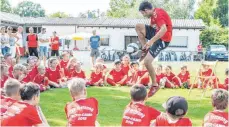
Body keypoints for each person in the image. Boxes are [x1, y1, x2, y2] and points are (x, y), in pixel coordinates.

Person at [136, 1, 172, 97]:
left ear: (147, 10)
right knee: (138, 27)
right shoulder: (153, 16)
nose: (143, 15)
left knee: (147, 62)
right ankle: (145, 49)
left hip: (163, 40)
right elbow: (152, 28)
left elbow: (163, 29)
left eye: (143, 13)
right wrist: (146, 44)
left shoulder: (158, 15)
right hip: (157, 34)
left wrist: (151, 42)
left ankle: (155, 85)